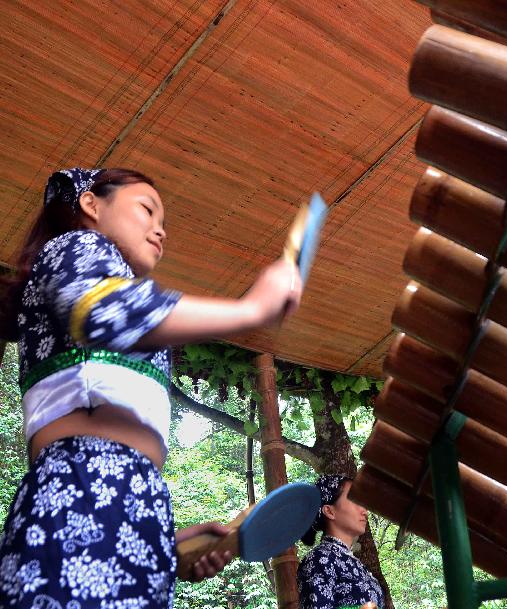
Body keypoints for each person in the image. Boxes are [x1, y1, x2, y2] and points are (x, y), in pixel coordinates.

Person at [0, 167, 303, 608]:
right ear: (90, 204)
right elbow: (101, 313)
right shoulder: (75, 247)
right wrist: (250, 309)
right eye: (147, 209)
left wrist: (169, 545)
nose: (160, 230)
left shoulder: (123, 290)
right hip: (83, 488)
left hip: (130, 507)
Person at [297, 474, 384, 609]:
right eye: (355, 501)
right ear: (329, 511)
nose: (365, 511)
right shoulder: (319, 559)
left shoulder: (358, 565)